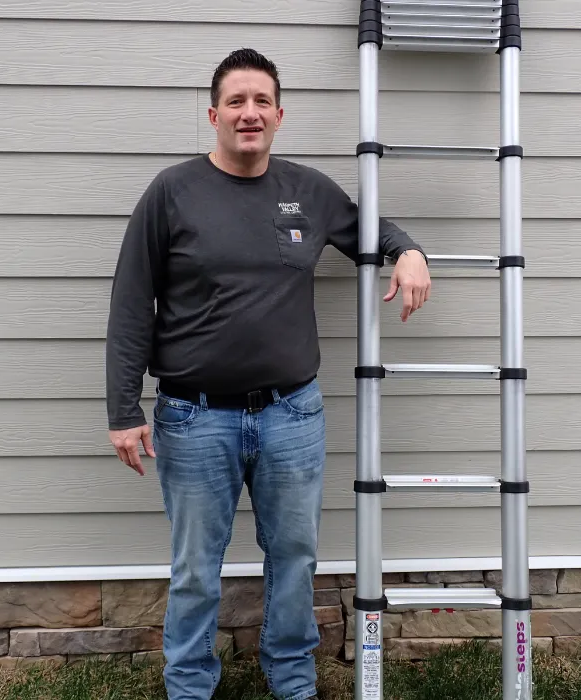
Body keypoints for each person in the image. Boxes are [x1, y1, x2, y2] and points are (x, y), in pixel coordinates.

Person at [105, 48, 431, 700]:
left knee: (295, 560)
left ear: (279, 115)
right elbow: (131, 300)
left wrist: (409, 251)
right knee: (196, 567)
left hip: (292, 415)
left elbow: (369, 228)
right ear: (214, 115)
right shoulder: (173, 192)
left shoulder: (307, 191)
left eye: (260, 102)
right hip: (195, 417)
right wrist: (123, 410)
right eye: (235, 102)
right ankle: (190, 687)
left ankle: (292, 683)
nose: (248, 113)